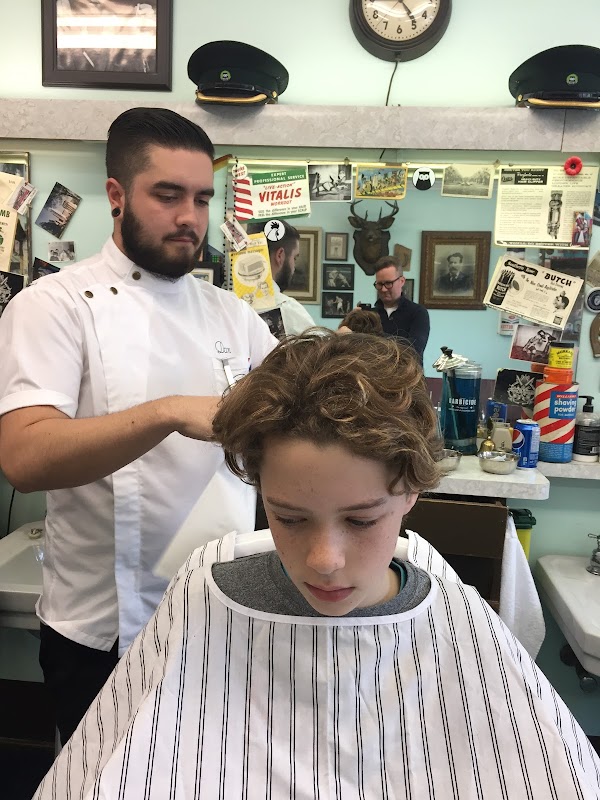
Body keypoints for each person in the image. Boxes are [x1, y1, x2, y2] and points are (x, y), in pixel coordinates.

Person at [33, 332, 600, 798]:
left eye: (361, 520)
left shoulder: (455, 616)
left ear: (412, 491)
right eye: (289, 517)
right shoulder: (207, 593)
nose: (325, 561)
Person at [0, 107, 277, 745]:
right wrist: (167, 412)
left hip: (219, 612)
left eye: (202, 198)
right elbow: (25, 456)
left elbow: (296, 404)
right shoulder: (53, 305)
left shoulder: (231, 314)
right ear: (117, 195)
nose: (190, 217)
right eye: (168, 195)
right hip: (101, 635)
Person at [247, 218, 315, 334]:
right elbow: (321, 345)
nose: (294, 267)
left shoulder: (229, 303)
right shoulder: (287, 308)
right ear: (280, 255)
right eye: (294, 258)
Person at [371, 254, 430, 363]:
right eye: (379, 284)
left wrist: (372, 336)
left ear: (402, 281)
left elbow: (414, 350)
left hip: (408, 373)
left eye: (388, 283)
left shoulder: (418, 313)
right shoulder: (369, 314)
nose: (383, 289)